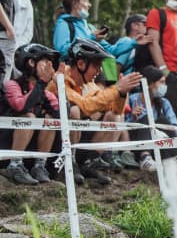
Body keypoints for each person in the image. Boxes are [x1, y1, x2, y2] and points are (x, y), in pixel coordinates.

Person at [46, 38, 143, 185]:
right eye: (96, 66)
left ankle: (88, 162)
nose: (100, 71)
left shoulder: (89, 84)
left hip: (78, 142)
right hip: (54, 146)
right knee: (75, 111)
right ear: (80, 64)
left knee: (113, 117)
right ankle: (69, 162)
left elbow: (116, 110)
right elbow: (85, 106)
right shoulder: (59, 79)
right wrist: (116, 89)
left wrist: (122, 93)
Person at [2, 44, 60, 184]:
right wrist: (42, 83)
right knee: (29, 117)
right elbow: (21, 106)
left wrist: (60, 87)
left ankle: (40, 166)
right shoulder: (11, 85)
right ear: (31, 62)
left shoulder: (45, 92)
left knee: (50, 119)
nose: (49, 66)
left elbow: (62, 115)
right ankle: (14, 166)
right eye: (46, 61)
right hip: (5, 145)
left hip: (31, 148)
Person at [53, 0, 150, 62]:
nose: (89, 5)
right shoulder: (63, 24)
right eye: (86, 1)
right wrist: (91, 38)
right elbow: (62, 51)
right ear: (75, 3)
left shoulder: (90, 28)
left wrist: (133, 42)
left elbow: (111, 50)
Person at [124, 65, 177, 172]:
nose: (164, 86)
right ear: (150, 84)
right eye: (161, 82)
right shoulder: (132, 100)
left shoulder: (164, 103)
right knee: (146, 118)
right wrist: (133, 117)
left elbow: (175, 128)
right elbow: (123, 129)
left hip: (161, 144)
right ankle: (145, 158)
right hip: (138, 144)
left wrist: (158, 132)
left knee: (163, 121)